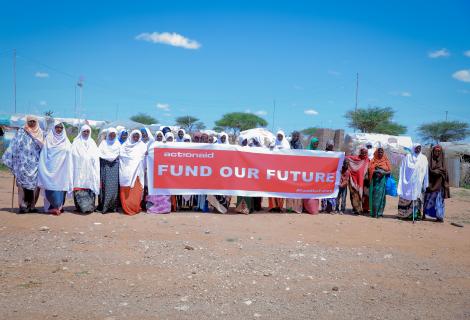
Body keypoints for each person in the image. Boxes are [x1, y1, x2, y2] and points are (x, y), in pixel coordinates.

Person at [2, 115, 44, 213]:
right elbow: (14, 144)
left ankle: (32, 206)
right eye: (30, 121)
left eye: (34, 121)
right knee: (22, 185)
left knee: (34, 186)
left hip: (35, 163)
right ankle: (22, 206)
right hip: (22, 163)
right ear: (27, 122)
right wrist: (11, 155)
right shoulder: (22, 131)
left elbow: (43, 148)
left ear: (36, 122)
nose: (32, 123)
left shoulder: (40, 133)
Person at [38, 121, 73, 215]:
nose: (59, 129)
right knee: (50, 187)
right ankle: (50, 208)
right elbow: (43, 156)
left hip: (62, 170)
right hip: (50, 170)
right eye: (57, 127)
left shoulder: (66, 141)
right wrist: (43, 169)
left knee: (61, 188)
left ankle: (59, 207)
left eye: (61, 127)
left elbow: (70, 155)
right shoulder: (48, 140)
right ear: (53, 128)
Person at [71, 125, 100, 213]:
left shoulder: (92, 143)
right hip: (79, 169)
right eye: (84, 131)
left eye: (88, 131)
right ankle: (80, 207)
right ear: (81, 132)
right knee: (79, 186)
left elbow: (96, 156)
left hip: (90, 169)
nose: (86, 133)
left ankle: (90, 207)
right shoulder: (76, 143)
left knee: (90, 186)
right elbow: (72, 155)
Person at [397, 143, 429, 220]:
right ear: (413, 148)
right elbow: (403, 169)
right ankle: (405, 215)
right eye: (416, 148)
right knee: (407, 197)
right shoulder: (408, 157)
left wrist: (425, 183)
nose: (418, 149)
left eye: (419, 148)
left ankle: (416, 215)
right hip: (408, 183)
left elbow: (426, 171)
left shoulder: (424, 158)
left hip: (419, 183)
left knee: (417, 198)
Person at [119, 130, 147, 215]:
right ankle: (127, 208)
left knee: (137, 191)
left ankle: (135, 207)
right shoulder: (125, 146)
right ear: (131, 136)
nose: (136, 138)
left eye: (137, 136)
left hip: (138, 173)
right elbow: (122, 158)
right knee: (127, 190)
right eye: (134, 136)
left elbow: (144, 158)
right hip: (127, 172)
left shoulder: (143, 146)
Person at [423, 145, 450, 222]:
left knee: (438, 200)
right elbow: (426, 171)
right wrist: (437, 171)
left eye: (439, 151)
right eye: (436, 151)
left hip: (439, 184)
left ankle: (439, 217)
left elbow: (445, 172)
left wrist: (438, 172)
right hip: (430, 183)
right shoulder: (428, 161)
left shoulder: (443, 162)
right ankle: (424, 214)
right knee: (427, 199)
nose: (437, 152)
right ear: (433, 151)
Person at [97, 127, 121, 213]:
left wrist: (112, 158)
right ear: (107, 134)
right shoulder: (103, 143)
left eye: (114, 134)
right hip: (105, 166)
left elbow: (119, 153)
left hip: (114, 167)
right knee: (105, 185)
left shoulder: (118, 144)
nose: (112, 136)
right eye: (110, 134)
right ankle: (104, 206)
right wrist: (107, 158)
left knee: (114, 187)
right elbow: (99, 153)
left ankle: (113, 206)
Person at [268, 130, 289, 212]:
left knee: (281, 188)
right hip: (273, 170)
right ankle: (272, 206)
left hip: (283, 170)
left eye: (281, 136)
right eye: (278, 136)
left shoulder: (286, 145)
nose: (279, 137)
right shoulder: (273, 144)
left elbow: (289, 154)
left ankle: (279, 207)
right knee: (272, 188)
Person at [368, 147, 392, 218]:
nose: (380, 153)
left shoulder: (386, 161)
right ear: (376, 152)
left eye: (381, 152)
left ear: (383, 153)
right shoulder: (373, 160)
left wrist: (383, 173)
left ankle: (380, 213)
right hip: (375, 181)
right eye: (379, 152)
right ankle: (374, 213)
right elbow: (370, 169)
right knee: (375, 196)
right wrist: (377, 171)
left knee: (381, 196)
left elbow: (390, 171)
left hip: (382, 180)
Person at [347, 147, 370, 215]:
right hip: (354, 180)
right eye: (362, 152)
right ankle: (356, 209)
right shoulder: (356, 159)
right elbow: (347, 158)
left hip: (364, 181)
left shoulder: (368, 160)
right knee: (354, 195)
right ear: (360, 152)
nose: (364, 154)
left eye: (365, 153)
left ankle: (363, 208)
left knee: (363, 196)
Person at [286, 131, 303, 213]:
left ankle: (297, 208)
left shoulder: (300, 145)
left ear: (298, 137)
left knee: (297, 189)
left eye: (297, 136)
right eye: (294, 136)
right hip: (289, 169)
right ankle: (289, 208)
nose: (295, 137)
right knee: (289, 188)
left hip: (298, 169)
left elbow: (302, 156)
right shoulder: (289, 144)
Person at [303, 137, 321, 214]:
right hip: (307, 176)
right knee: (306, 192)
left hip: (315, 177)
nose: (316, 145)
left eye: (317, 144)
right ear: (312, 143)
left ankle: (313, 208)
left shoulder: (320, 153)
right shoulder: (307, 151)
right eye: (315, 143)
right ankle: (306, 207)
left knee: (314, 193)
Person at [321, 141, 337, 213]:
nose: (330, 147)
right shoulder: (323, 154)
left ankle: (330, 209)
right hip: (324, 176)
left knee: (331, 193)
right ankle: (324, 208)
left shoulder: (336, 154)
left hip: (332, 176)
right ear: (327, 145)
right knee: (324, 192)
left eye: (331, 146)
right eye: (329, 145)